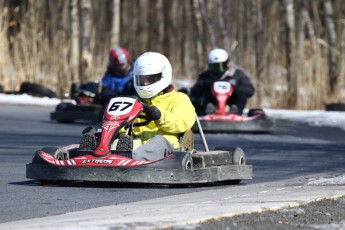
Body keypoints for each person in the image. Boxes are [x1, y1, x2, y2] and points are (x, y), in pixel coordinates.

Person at [130, 52, 196, 161]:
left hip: (168, 152)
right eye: (141, 79)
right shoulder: (135, 101)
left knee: (158, 140)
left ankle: (133, 160)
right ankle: (103, 156)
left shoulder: (179, 98)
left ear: (163, 76)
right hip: (137, 146)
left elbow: (184, 121)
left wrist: (160, 116)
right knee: (119, 139)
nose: (145, 83)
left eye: (149, 79)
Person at [190, 48, 255, 115]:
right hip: (211, 103)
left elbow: (250, 90)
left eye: (219, 66)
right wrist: (207, 83)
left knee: (241, 96)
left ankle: (235, 111)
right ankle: (209, 110)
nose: (217, 70)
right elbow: (194, 92)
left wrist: (233, 88)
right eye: (214, 67)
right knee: (206, 95)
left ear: (227, 64)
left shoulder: (237, 74)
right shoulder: (205, 76)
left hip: (231, 102)